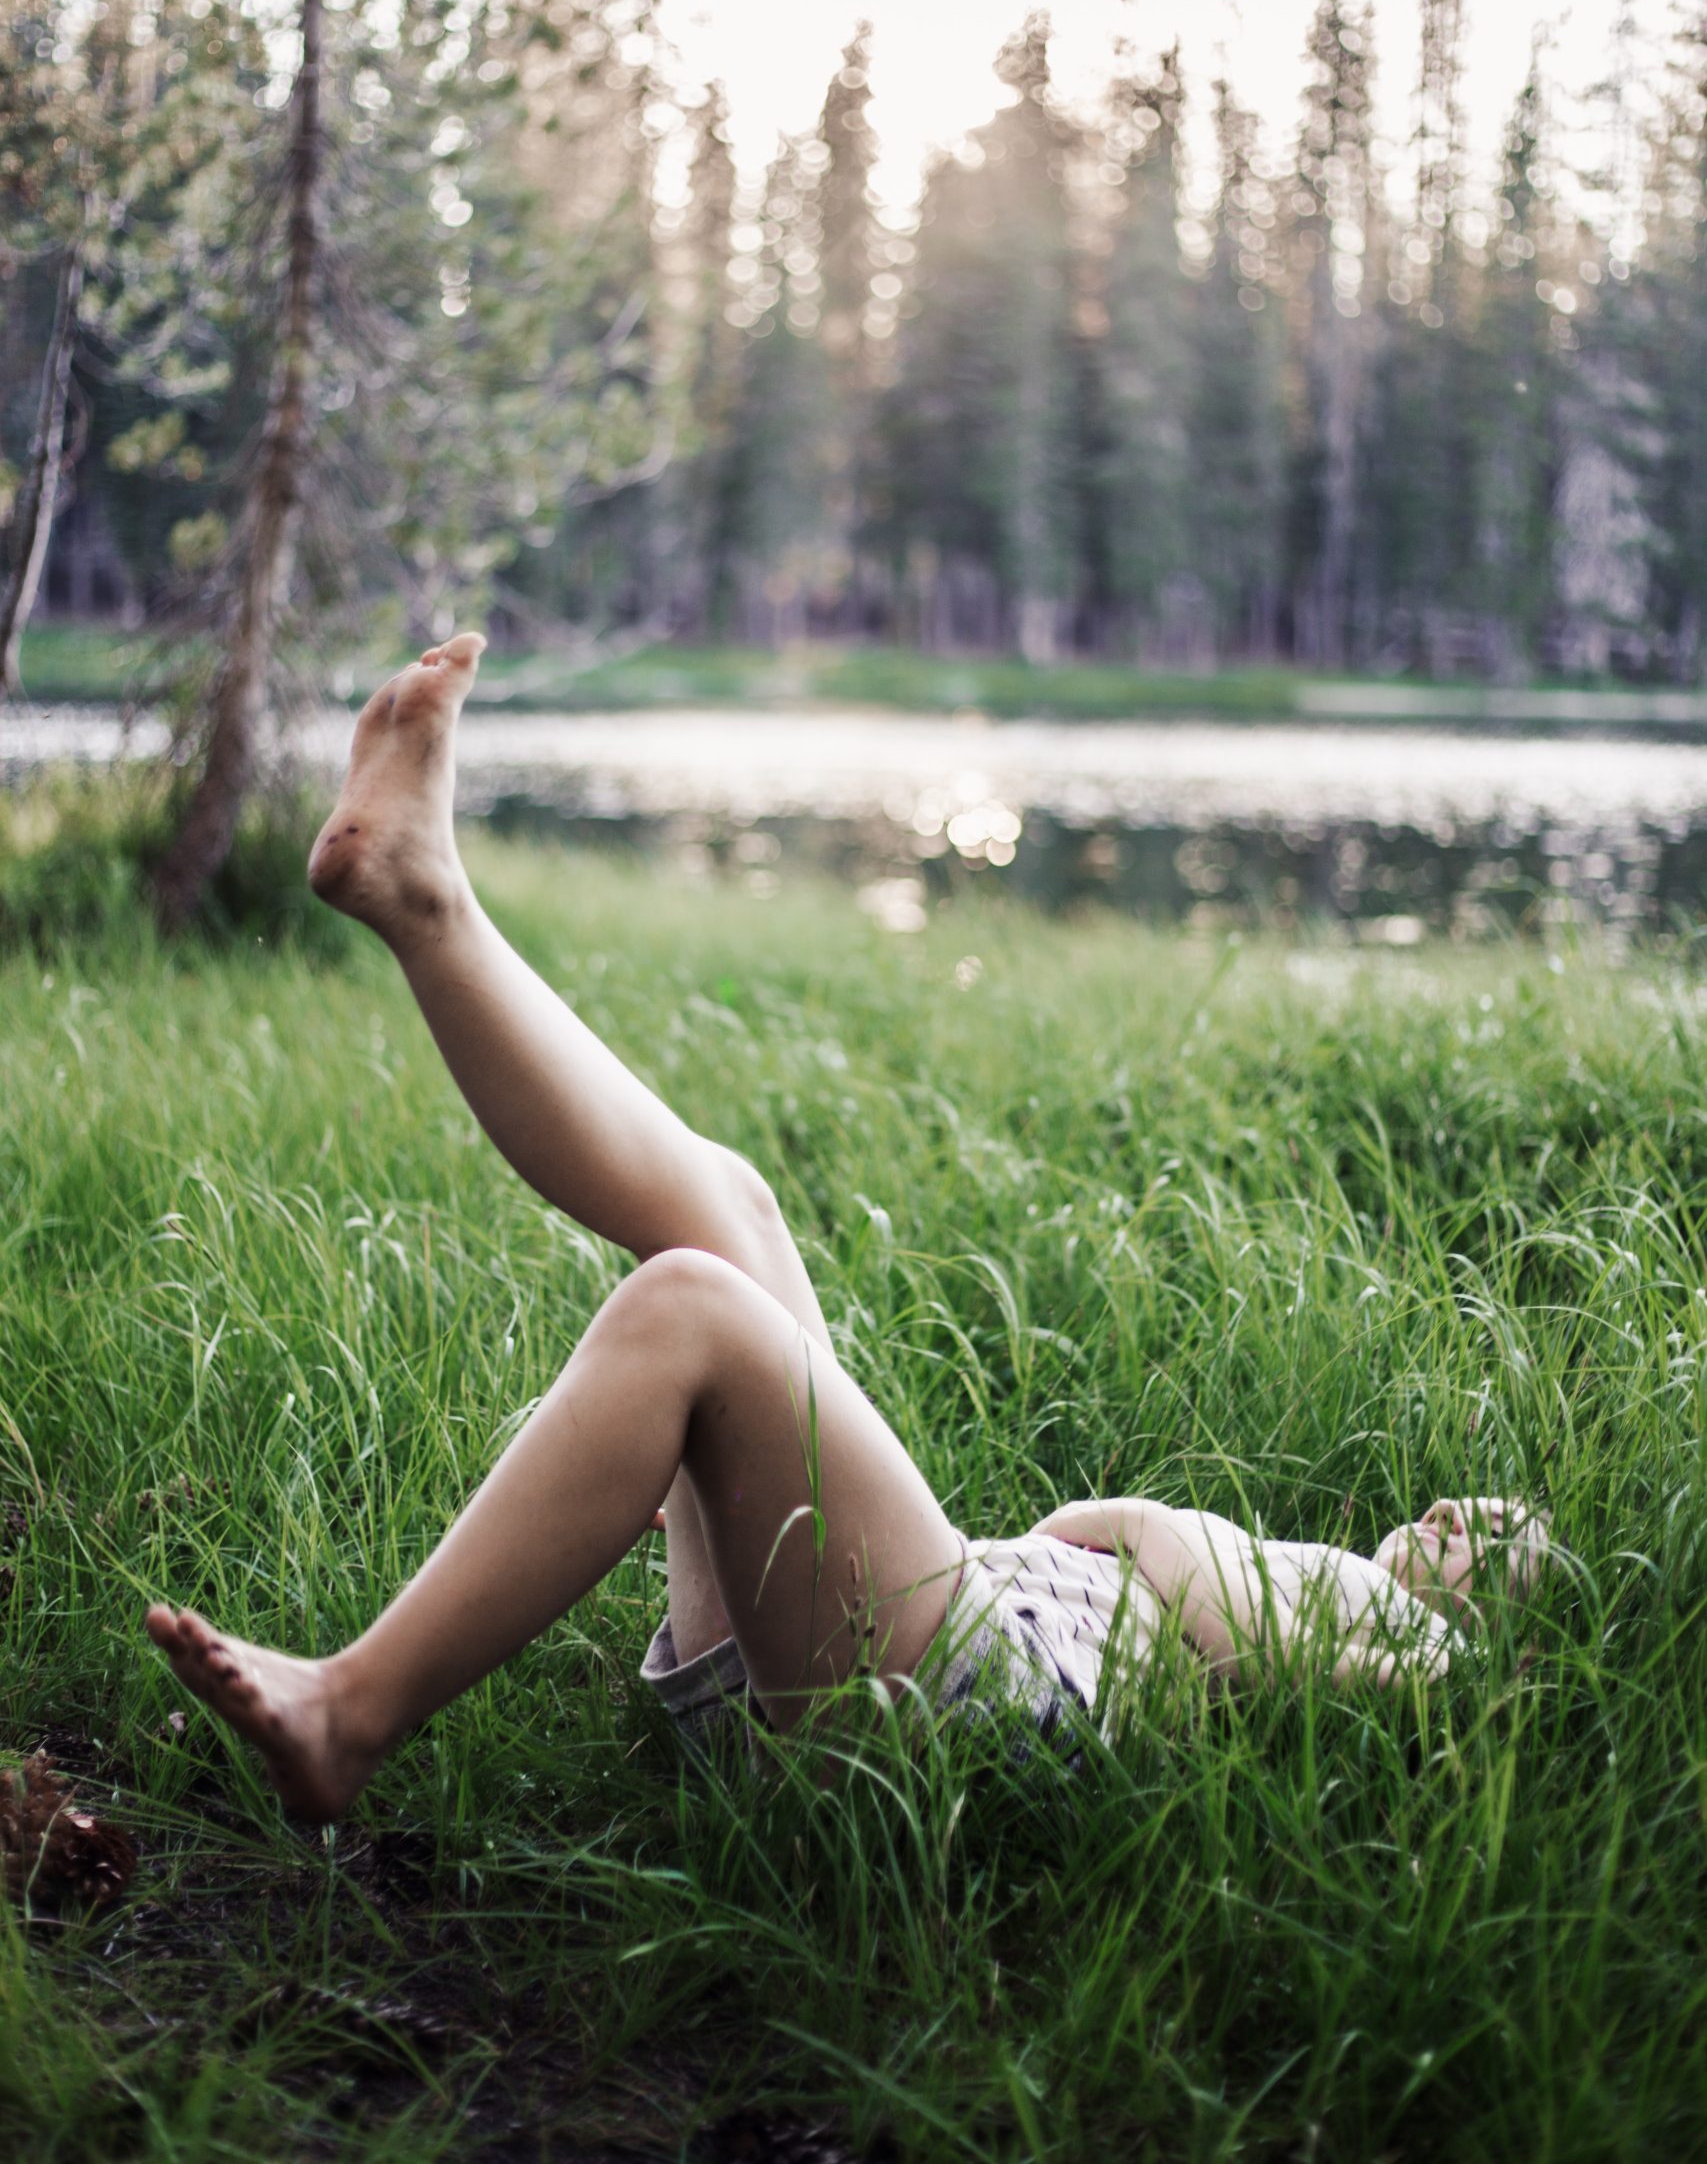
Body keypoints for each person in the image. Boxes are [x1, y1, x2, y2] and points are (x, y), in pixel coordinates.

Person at [145, 636, 1553, 1819]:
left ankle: (352, 1709)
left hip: (951, 1719)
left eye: (1499, 1538)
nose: (1457, 1515)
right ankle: (425, 904)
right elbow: (1117, 1558)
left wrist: (1145, 1539)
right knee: (727, 1203)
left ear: (1502, 1620)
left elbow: (1178, 1599)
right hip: (927, 1651)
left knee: (693, 1305)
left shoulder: (1409, 1639)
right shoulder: (1345, 1586)